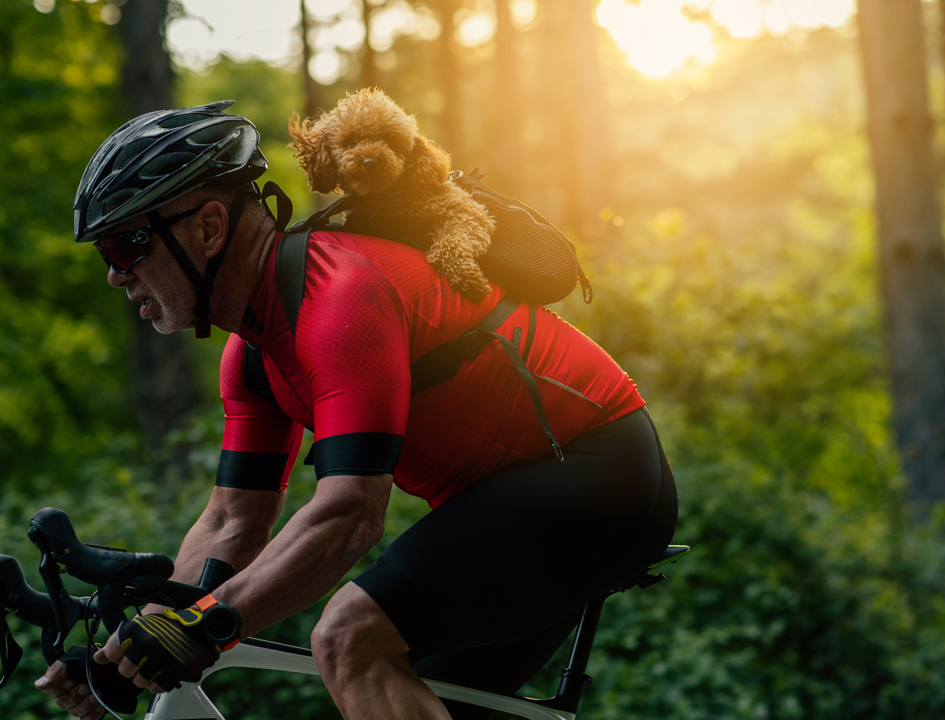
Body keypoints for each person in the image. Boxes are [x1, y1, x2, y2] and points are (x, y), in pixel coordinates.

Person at [36, 101, 678, 720]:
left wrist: (207, 624)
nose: (116, 276)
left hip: (598, 475)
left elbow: (349, 515)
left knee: (350, 636)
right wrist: (126, 651)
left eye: (126, 246)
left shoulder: (339, 296)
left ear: (207, 227)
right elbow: (233, 521)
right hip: (499, 507)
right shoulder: (252, 355)